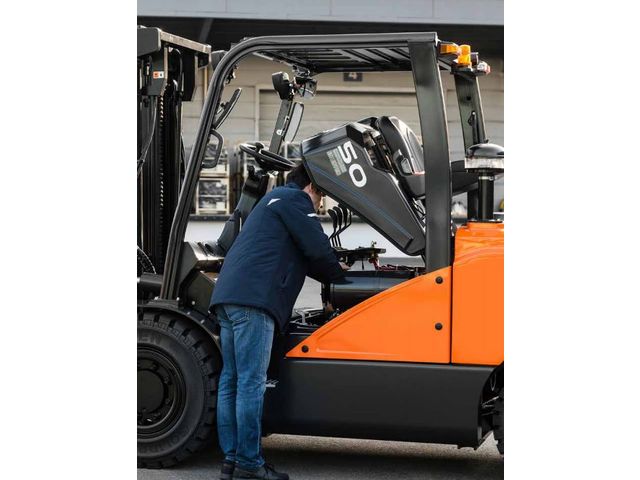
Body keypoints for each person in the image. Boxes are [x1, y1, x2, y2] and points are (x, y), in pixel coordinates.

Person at [210, 164, 347, 480]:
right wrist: (340, 275)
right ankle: (249, 463)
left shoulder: (272, 201)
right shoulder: (296, 200)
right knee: (251, 382)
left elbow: (300, 254)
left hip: (228, 298)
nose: (319, 206)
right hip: (254, 302)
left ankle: (231, 460)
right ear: (312, 187)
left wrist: (328, 269)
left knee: (231, 380)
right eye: (321, 197)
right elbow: (318, 249)